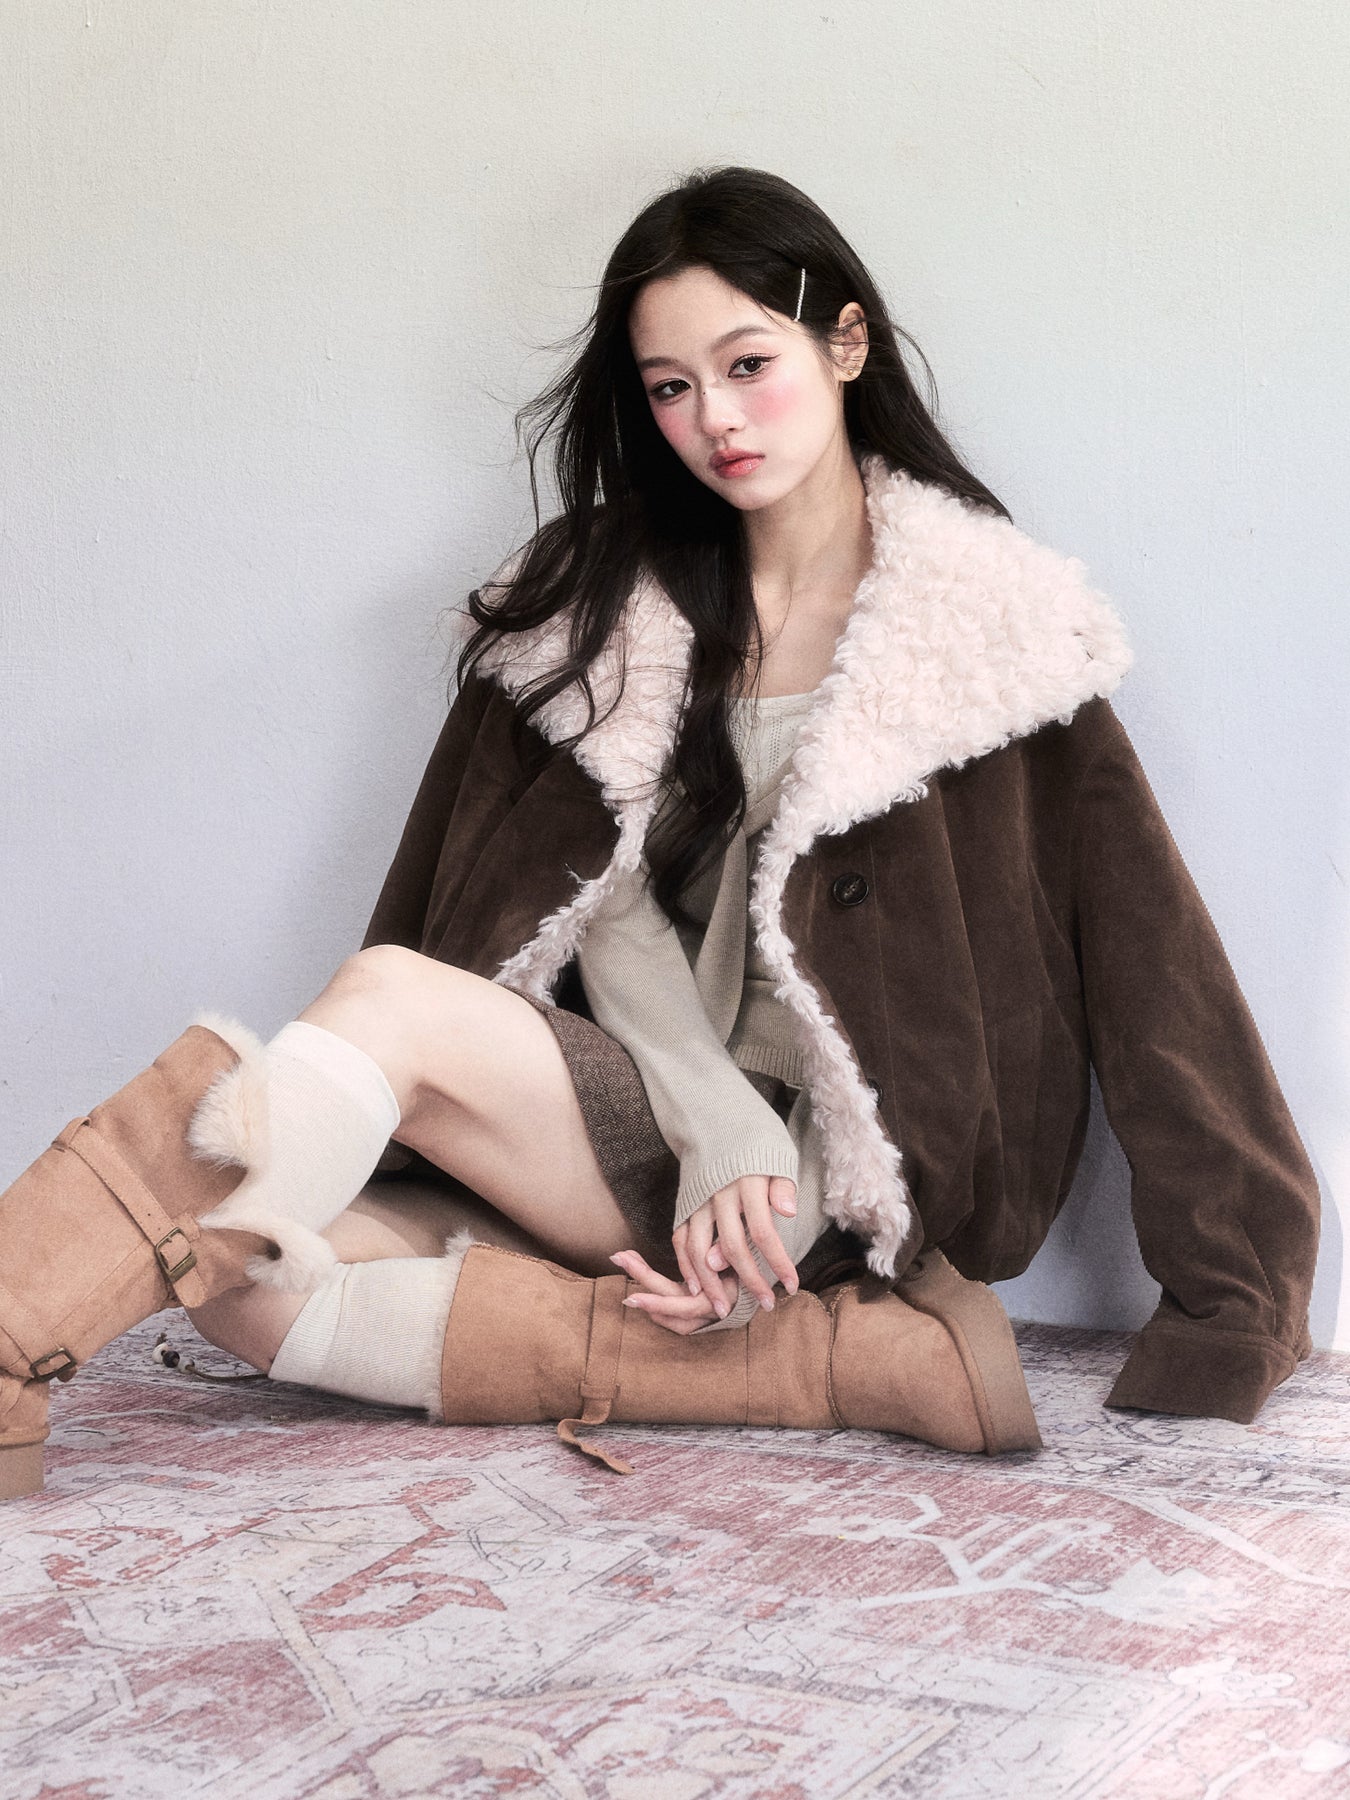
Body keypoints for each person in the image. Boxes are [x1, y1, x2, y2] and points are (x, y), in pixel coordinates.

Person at [0, 166, 1319, 1501]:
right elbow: (576, 899)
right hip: (644, 1122)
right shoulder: (593, 616)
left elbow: (1157, 979)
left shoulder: (995, 645)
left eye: (748, 365)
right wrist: (709, 1123)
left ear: (844, 343)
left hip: (835, 1179)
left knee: (371, 1027)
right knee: (240, 1268)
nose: (715, 419)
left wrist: (1235, 1304)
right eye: (672, 386)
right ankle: (839, 1366)